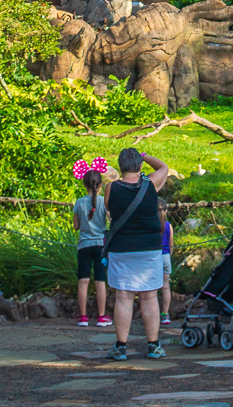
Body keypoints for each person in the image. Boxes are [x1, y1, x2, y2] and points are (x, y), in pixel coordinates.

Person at [104, 147, 170, 360]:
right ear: (140, 166)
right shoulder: (151, 185)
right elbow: (163, 167)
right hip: (149, 248)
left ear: (120, 166)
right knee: (150, 296)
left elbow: (109, 209)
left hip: (122, 248)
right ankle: (154, 345)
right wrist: (144, 156)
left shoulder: (110, 188)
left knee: (123, 296)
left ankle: (121, 347)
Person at [73, 163, 111, 328]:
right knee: (100, 281)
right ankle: (101, 317)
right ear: (100, 185)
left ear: (84, 184)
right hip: (101, 247)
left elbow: (76, 226)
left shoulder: (79, 203)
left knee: (83, 281)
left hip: (84, 247)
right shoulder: (103, 202)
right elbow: (111, 220)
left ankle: (83, 317)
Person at [159, 202, 174, 323]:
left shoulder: (151, 225)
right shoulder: (169, 226)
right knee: (165, 286)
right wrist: (169, 256)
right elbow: (171, 244)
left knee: (151, 288)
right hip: (165, 256)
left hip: (153, 257)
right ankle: (165, 314)